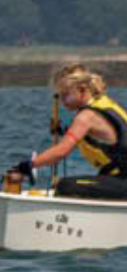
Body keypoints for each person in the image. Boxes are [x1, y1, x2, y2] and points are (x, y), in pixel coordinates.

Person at [7, 64, 127, 200]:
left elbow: (61, 151)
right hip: (119, 177)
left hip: (123, 180)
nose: (62, 101)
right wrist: (66, 132)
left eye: (66, 95)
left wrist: (29, 165)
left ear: (82, 90)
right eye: (60, 96)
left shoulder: (86, 116)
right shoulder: (104, 103)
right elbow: (100, 136)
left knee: (65, 186)